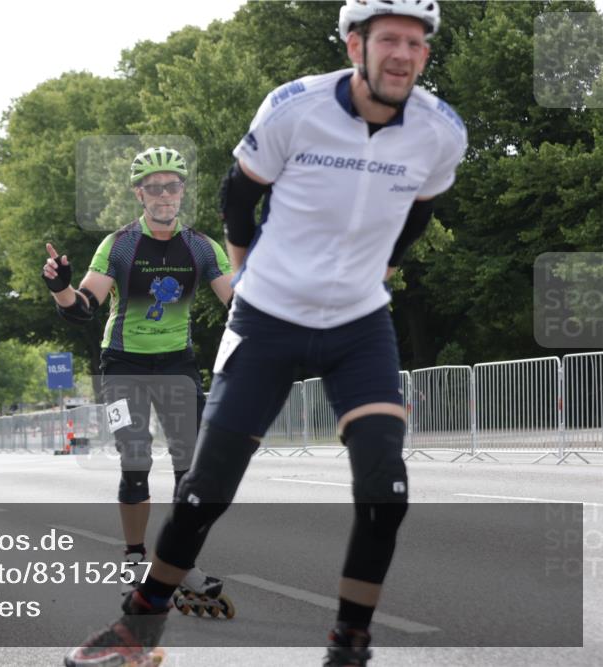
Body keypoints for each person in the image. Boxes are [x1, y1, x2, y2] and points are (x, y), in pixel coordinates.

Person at [66, 1, 467, 666]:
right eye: (389, 38)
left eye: (417, 43)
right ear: (353, 46)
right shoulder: (293, 109)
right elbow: (236, 194)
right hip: (271, 317)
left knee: (385, 489)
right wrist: (248, 273)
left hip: (359, 324)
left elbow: (421, 210)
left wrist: (383, 269)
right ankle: (137, 629)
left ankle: (349, 648)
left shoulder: (439, 130)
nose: (404, 54)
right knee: (204, 488)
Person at [44, 146, 235, 609]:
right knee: (135, 463)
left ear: (183, 190)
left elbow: (237, 308)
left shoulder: (202, 247)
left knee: (192, 475)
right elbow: (84, 309)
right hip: (123, 365)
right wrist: (62, 288)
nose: (164, 195)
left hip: (177, 363)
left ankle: (178, 563)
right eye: (154, 188)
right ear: (139, 194)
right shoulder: (120, 244)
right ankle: (134, 558)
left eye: (172, 186)